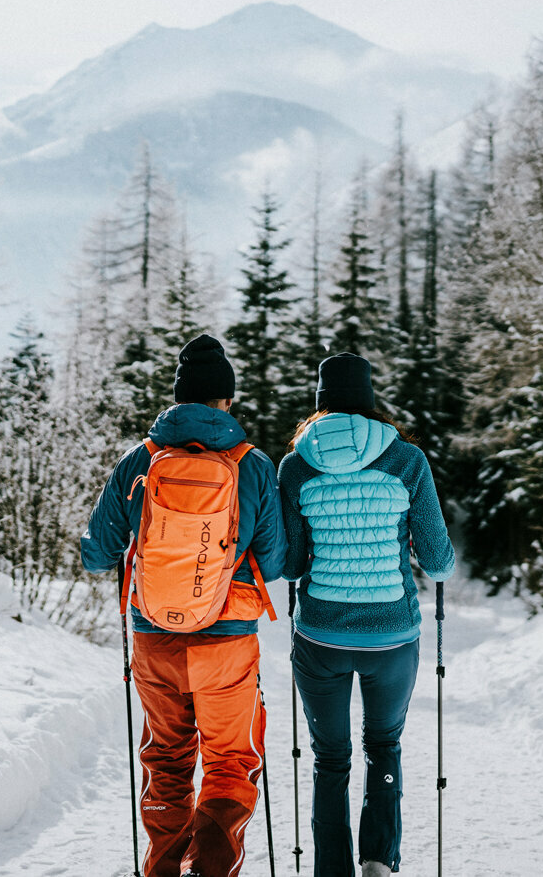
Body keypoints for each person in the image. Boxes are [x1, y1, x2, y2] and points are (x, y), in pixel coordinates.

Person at [81, 334, 287, 877]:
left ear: (177, 398)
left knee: (167, 761)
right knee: (231, 761)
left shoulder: (139, 461)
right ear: (227, 400)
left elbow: (96, 554)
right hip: (228, 639)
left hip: (155, 636)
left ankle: (163, 869)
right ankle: (213, 870)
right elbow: (278, 558)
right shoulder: (254, 464)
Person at [277, 352, 455, 877]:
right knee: (384, 744)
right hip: (393, 637)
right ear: (371, 403)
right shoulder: (407, 460)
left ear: (319, 406)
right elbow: (439, 559)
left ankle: (332, 870)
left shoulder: (296, 465)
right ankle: (378, 859)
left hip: (320, 636)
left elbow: (290, 564)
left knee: (330, 758)